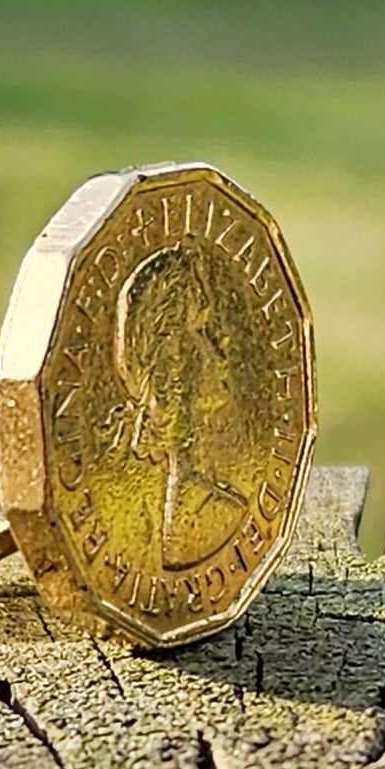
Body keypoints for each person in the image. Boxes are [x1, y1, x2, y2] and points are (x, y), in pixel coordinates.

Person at [108, 242, 249, 570]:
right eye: (200, 330)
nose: (219, 349)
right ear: (171, 358)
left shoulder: (220, 508)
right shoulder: (219, 513)